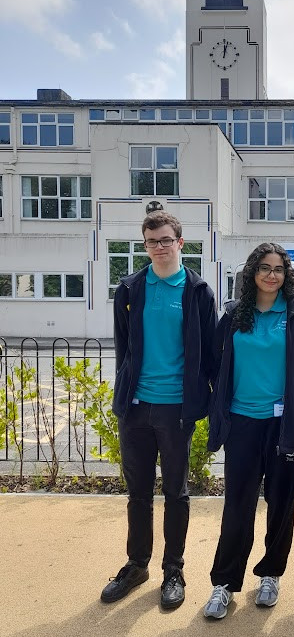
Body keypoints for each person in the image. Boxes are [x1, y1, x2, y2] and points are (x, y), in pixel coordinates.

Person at [203, 243, 294, 620]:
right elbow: (214, 364)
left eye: (279, 269)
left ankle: (271, 573)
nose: (271, 275)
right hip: (242, 423)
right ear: (251, 273)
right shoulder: (233, 315)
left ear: (287, 275)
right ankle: (224, 583)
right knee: (237, 505)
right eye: (264, 268)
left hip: (285, 426)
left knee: (281, 504)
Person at [101, 211, 217, 610]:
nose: (160, 247)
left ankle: (174, 570)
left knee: (176, 493)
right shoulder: (131, 289)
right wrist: (124, 395)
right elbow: (123, 350)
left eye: (167, 240)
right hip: (135, 408)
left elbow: (209, 353)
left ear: (180, 243)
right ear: (145, 245)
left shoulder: (198, 291)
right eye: (152, 241)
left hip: (176, 410)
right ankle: (137, 566)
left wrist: (210, 401)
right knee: (137, 495)